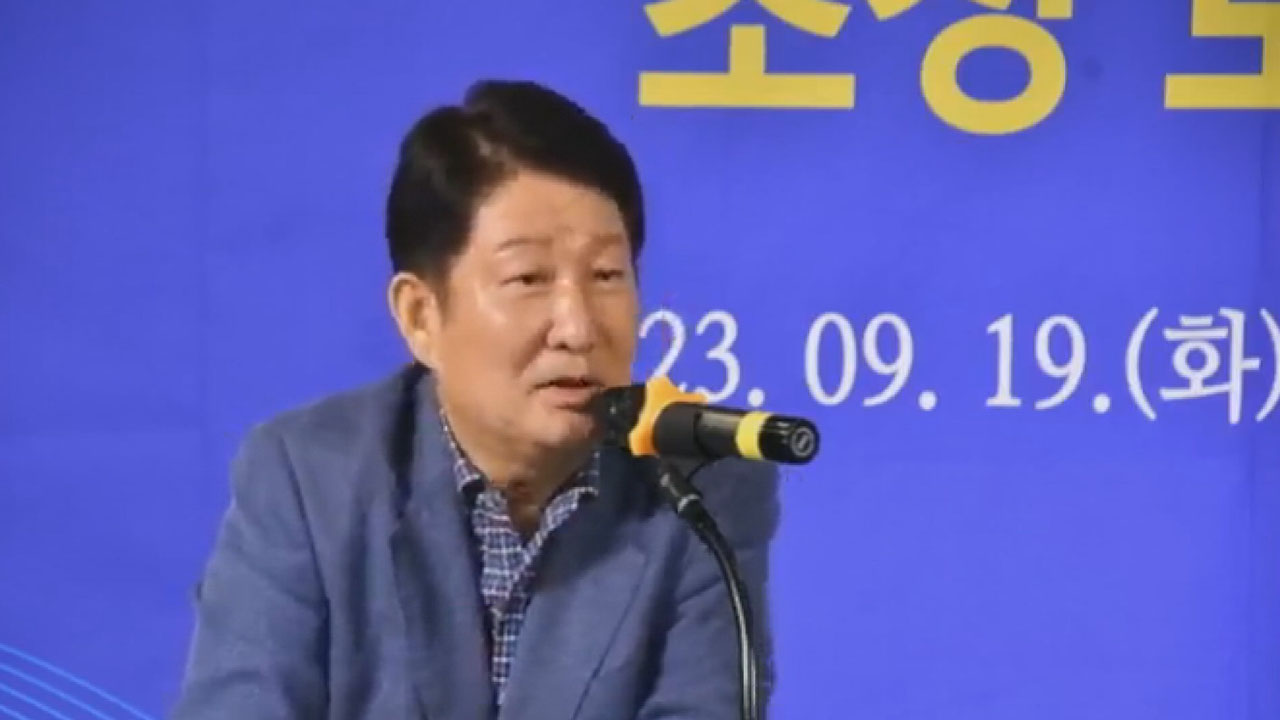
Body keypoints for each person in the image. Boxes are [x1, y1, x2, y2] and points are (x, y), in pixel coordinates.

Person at [171, 79, 780, 720]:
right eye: (528, 278)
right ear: (420, 316)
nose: (577, 328)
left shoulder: (700, 488)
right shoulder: (308, 477)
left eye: (606, 275)